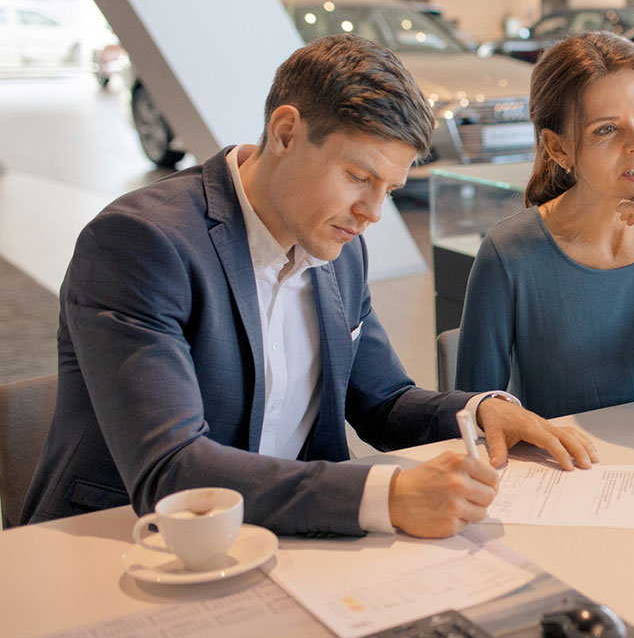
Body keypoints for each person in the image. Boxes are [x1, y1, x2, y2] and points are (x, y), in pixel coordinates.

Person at [22, 34, 597, 538]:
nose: (372, 212)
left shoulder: (338, 247)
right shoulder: (142, 244)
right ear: (285, 133)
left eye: (390, 189)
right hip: (127, 547)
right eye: (358, 176)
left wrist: (479, 410)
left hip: (286, 539)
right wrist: (386, 496)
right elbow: (172, 470)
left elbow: (383, 402)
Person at [454, 31, 634, 420]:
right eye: (607, 129)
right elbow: (474, 415)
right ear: (558, 148)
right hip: (557, 457)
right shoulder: (509, 253)